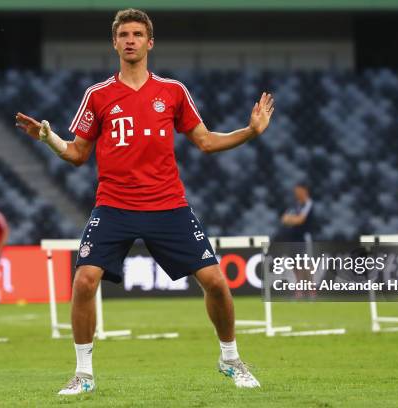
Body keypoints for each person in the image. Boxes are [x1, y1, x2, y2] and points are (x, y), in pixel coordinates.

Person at [15, 8, 274, 395]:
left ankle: (230, 358)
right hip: (114, 206)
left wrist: (250, 132)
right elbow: (77, 154)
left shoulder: (172, 91)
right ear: (115, 43)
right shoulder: (98, 95)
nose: (131, 40)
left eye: (138, 34)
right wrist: (48, 139)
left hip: (168, 205)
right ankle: (83, 374)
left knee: (216, 283)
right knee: (85, 281)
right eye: (124, 34)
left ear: (150, 42)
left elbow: (204, 141)